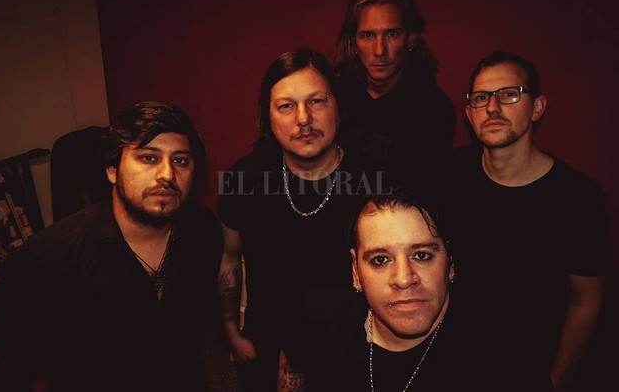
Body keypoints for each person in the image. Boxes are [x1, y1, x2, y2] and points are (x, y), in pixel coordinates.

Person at [0, 101, 223, 391]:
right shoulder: (43, 261)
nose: (167, 174)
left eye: (181, 160)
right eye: (149, 158)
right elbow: (12, 368)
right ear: (113, 169)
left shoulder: (204, 231)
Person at [217, 49, 389, 391]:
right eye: (286, 106)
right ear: (268, 118)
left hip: (354, 346)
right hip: (265, 343)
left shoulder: (377, 181)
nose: (303, 119)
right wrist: (231, 331)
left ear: (338, 107)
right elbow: (229, 257)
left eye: (316, 101)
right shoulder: (243, 179)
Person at [444, 50, 615, 391]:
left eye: (509, 94)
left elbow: (587, 301)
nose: (493, 107)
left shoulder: (579, 199)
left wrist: (555, 381)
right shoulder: (449, 174)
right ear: (469, 114)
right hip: (454, 366)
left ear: (537, 108)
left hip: (529, 372)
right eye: (481, 98)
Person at [287, 187, 552, 391]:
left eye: (422, 255)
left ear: (450, 264)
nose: (404, 279)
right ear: (356, 271)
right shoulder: (319, 323)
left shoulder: (506, 362)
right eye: (380, 260)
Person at [335, 0, 457, 189]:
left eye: (392, 34)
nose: (380, 50)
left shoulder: (434, 110)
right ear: (354, 42)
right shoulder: (335, 95)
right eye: (368, 35)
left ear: (410, 38)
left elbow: (421, 194)